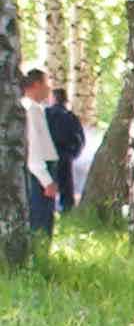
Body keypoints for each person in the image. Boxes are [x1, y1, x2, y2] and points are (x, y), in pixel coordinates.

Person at [19, 69, 59, 236]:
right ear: (36, 85)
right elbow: (34, 146)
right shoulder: (31, 110)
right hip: (39, 171)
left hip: (42, 168)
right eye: (47, 83)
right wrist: (46, 179)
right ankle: (39, 255)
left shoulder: (37, 109)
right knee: (41, 220)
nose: (49, 88)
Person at [45, 86, 84, 214]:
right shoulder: (71, 117)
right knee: (66, 186)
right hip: (65, 154)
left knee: (46, 184)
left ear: (54, 98)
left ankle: (47, 211)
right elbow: (80, 139)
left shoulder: (46, 114)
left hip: (48, 154)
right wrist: (73, 154)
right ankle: (66, 211)